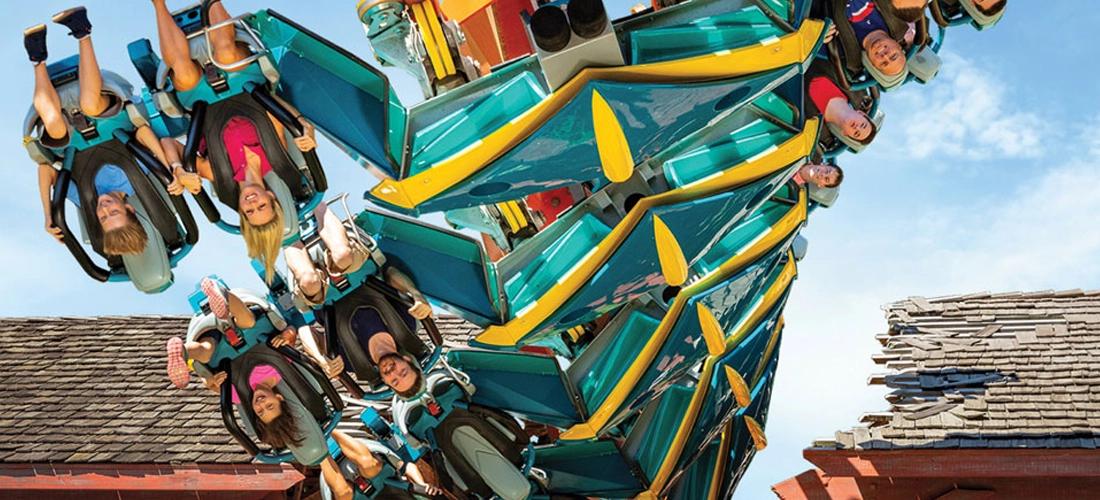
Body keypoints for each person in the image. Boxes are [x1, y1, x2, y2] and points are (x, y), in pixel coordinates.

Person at [151, 0, 319, 283]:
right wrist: (304, 125)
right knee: (226, 52)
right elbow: (276, 108)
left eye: (249, 211)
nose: (252, 203)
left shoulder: (217, 176)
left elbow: (169, 143)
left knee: (182, 68)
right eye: (261, 207)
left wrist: (179, 169)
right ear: (273, 198)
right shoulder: (278, 161)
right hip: (243, 80)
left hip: (201, 98)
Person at [28, 7, 182, 256]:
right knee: (89, 104)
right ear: (129, 209)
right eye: (114, 212)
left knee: (53, 124)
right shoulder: (136, 181)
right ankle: (82, 31)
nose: (104, 209)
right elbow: (143, 133)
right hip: (109, 114)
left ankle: (37, 58)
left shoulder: (82, 196)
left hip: (68, 130)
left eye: (102, 218)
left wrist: (48, 214)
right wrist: (167, 168)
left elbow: (45, 169)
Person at [202, 362, 440, 500]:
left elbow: (231, 394)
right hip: (374, 465)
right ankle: (326, 434)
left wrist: (212, 384)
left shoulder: (263, 402)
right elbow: (407, 466)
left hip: (345, 486)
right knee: (369, 465)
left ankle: (319, 450)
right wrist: (421, 484)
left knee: (345, 494)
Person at [294, 266, 433, 398]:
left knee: (309, 283)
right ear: (407, 361)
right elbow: (390, 273)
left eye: (394, 381)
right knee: (342, 257)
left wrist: (321, 359)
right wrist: (416, 294)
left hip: (319, 291)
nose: (393, 373)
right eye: (402, 372)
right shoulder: (407, 326)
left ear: (386, 381)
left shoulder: (351, 362)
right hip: (356, 269)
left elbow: (305, 330)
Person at [828, 0, 923, 87]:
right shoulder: (898, 15)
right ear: (898, 45)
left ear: (872, 63)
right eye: (893, 56)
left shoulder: (841, 49)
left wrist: (821, 31)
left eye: (883, 63)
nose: (885, 56)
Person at [806, 70, 878, 146]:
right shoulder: (851, 85)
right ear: (861, 113)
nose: (857, 127)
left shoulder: (816, 130)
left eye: (856, 133)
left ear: (845, 133)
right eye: (863, 125)